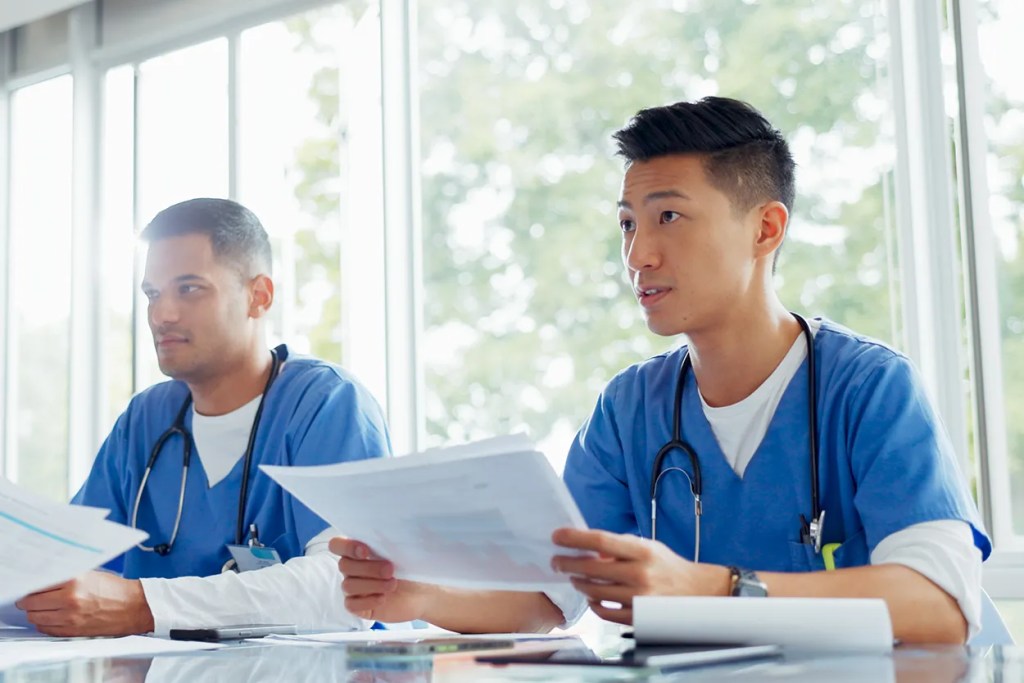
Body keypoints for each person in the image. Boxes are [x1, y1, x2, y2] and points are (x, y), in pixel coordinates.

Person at [331, 97, 990, 644]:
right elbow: (550, 593)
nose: (638, 254)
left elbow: (939, 604)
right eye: (626, 224)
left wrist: (710, 587)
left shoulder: (868, 388)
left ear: (765, 228)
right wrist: (418, 591)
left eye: (668, 216)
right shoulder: (629, 408)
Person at [14, 198, 391, 637]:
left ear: (258, 296)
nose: (162, 314)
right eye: (153, 294)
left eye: (189, 289)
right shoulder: (144, 422)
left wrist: (143, 606)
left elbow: (348, 592)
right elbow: (58, 570)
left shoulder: (325, 404)